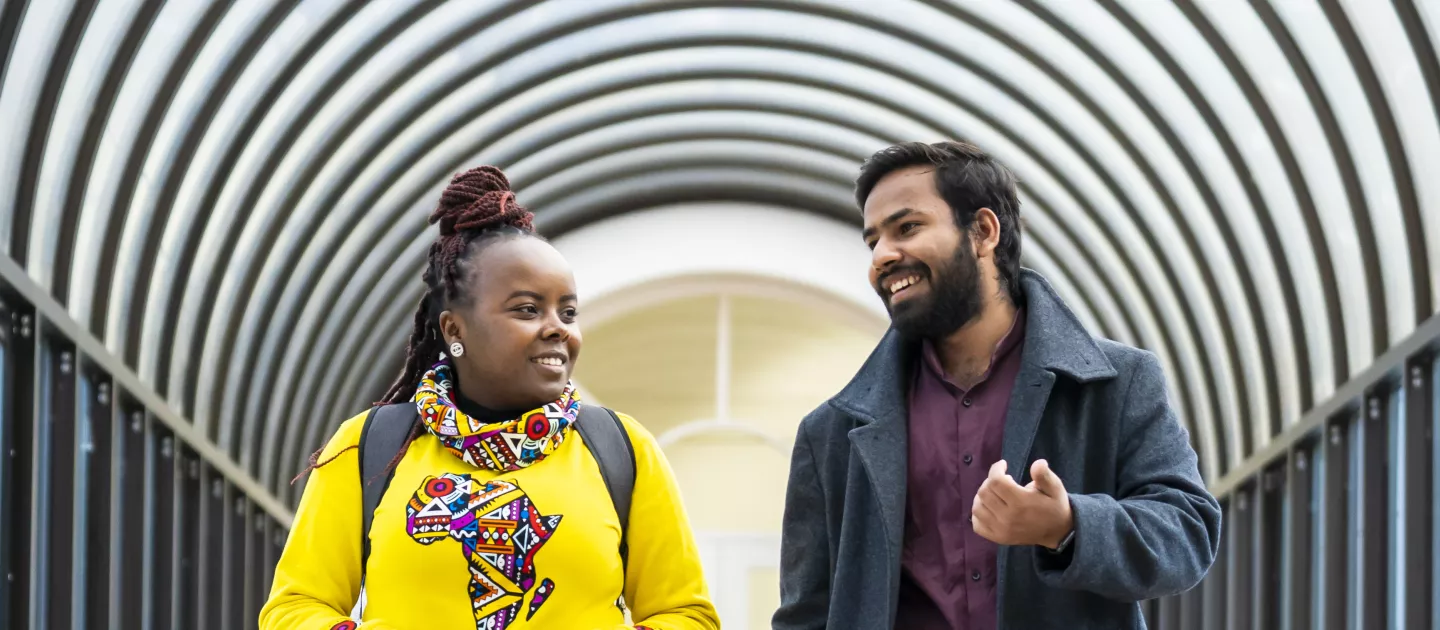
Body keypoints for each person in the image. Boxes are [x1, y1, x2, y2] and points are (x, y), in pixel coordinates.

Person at [772, 141, 1221, 629]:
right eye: (873, 241)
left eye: (907, 228)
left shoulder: (1117, 383)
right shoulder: (830, 435)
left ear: (983, 231)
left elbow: (1187, 534)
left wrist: (1069, 526)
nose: (882, 256)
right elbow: (805, 617)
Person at [260, 166, 719, 630]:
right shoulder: (368, 446)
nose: (558, 327)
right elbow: (294, 608)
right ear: (454, 329)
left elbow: (686, 615)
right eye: (527, 309)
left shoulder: (623, 448)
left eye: (568, 311)